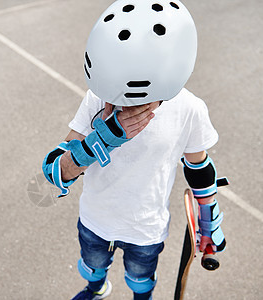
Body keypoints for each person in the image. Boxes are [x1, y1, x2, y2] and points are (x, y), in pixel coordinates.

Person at [42, 1, 226, 299]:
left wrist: (209, 222)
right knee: (92, 267)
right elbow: (54, 173)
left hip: (145, 227)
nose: (121, 106)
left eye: (138, 100)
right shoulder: (98, 97)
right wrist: (99, 142)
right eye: (114, 95)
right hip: (95, 218)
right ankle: (97, 289)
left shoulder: (190, 109)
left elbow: (199, 169)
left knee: (140, 279)